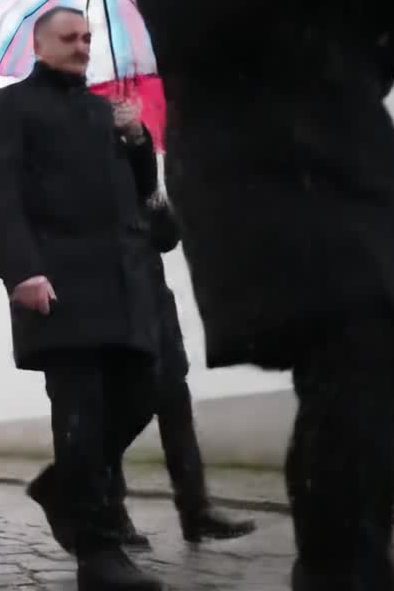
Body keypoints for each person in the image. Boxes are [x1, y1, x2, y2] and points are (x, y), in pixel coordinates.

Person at [135, 0, 394, 587]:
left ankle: (340, 567)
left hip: (358, 190)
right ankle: (349, 572)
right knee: (353, 355)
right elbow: (212, 21)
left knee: (366, 368)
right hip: (262, 197)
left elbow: (370, 68)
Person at [0, 6, 163, 590]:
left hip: (122, 288)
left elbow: (140, 194)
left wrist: (136, 140)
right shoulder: (6, 107)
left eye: (86, 37)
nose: (82, 46)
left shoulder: (107, 112)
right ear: (39, 45)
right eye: (69, 38)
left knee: (140, 398)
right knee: (79, 418)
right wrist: (21, 271)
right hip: (58, 285)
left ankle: (60, 486)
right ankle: (97, 556)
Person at [109, 196, 256, 547]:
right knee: (122, 411)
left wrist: (157, 203)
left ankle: (195, 510)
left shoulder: (133, 164)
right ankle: (103, 508)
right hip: (114, 308)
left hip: (156, 306)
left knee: (176, 402)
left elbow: (165, 239)